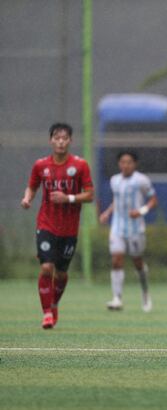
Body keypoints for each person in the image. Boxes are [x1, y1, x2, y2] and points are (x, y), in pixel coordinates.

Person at [21, 123, 94, 329]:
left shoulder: (80, 165)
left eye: (64, 138)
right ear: (50, 140)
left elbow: (90, 195)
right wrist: (27, 198)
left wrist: (68, 198)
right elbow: (32, 186)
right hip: (46, 223)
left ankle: (54, 304)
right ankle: (46, 313)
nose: (60, 142)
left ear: (70, 141)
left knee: (61, 273)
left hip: (69, 228)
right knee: (46, 267)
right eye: (57, 138)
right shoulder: (40, 165)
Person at [99, 151, 158, 312]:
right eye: (123, 162)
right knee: (116, 259)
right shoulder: (114, 180)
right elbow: (117, 200)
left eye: (129, 162)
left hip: (136, 228)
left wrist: (141, 211)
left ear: (135, 164)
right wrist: (107, 213)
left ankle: (145, 292)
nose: (126, 165)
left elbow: (153, 200)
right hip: (117, 227)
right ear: (119, 164)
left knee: (137, 262)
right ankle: (117, 298)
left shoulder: (141, 180)